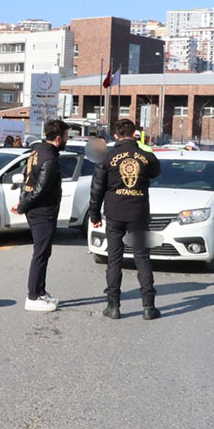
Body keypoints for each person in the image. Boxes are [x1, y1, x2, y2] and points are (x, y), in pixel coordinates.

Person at [88, 119, 162, 320]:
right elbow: (157, 171)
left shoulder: (107, 157)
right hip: (138, 213)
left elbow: (97, 188)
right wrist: (143, 151)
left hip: (114, 213)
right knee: (142, 258)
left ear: (115, 136)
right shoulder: (146, 156)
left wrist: (94, 214)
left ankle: (113, 307)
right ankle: (148, 307)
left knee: (114, 260)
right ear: (135, 133)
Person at [12, 119, 69, 312]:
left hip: (37, 210)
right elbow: (41, 189)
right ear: (59, 137)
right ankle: (33, 296)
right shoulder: (50, 158)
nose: (67, 139)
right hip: (42, 212)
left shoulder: (36, 151)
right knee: (40, 253)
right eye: (67, 136)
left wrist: (22, 201)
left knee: (44, 252)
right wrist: (23, 205)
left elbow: (26, 178)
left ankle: (41, 291)